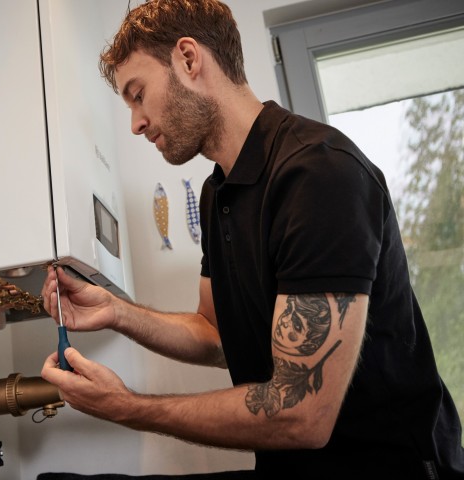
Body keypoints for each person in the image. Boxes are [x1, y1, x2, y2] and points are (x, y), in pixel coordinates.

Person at [40, 1, 464, 478]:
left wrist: (126, 406)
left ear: (188, 58)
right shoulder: (218, 190)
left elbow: (301, 413)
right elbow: (217, 334)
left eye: (138, 95)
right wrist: (116, 312)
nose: (136, 122)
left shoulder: (318, 173)